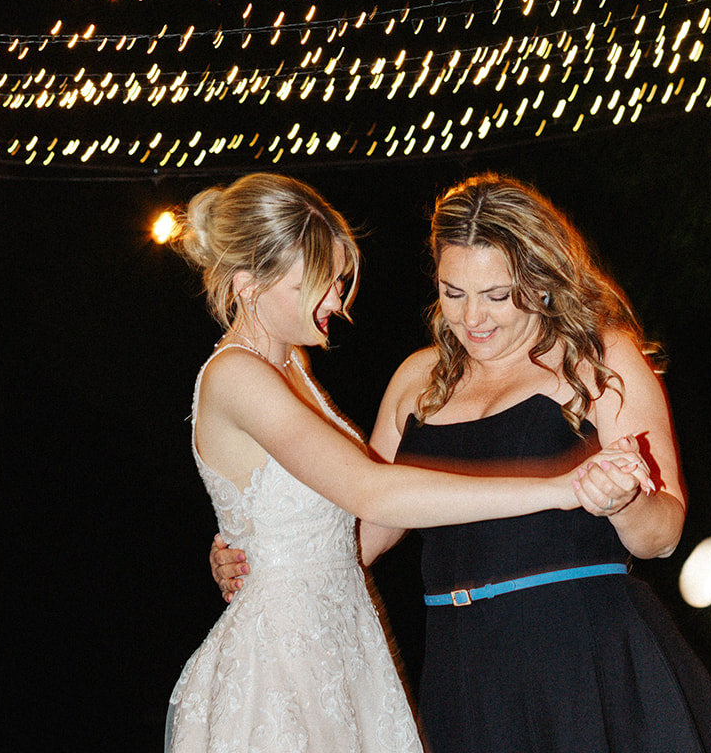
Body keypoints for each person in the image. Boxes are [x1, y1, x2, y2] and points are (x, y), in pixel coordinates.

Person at [213, 173, 711, 753]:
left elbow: (662, 537)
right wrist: (255, 550)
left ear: (540, 281)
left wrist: (623, 501)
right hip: (463, 674)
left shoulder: (599, 356)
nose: (473, 318)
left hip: (585, 660)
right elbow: (359, 535)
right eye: (453, 293)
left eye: (496, 295)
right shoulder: (417, 380)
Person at [164, 172, 614, 753]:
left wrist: (244, 542)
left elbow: (336, 522)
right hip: (282, 666)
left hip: (338, 646)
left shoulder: (291, 365)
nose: (337, 302)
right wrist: (562, 488)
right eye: (317, 285)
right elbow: (372, 492)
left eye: (339, 281)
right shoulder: (236, 375)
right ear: (249, 284)